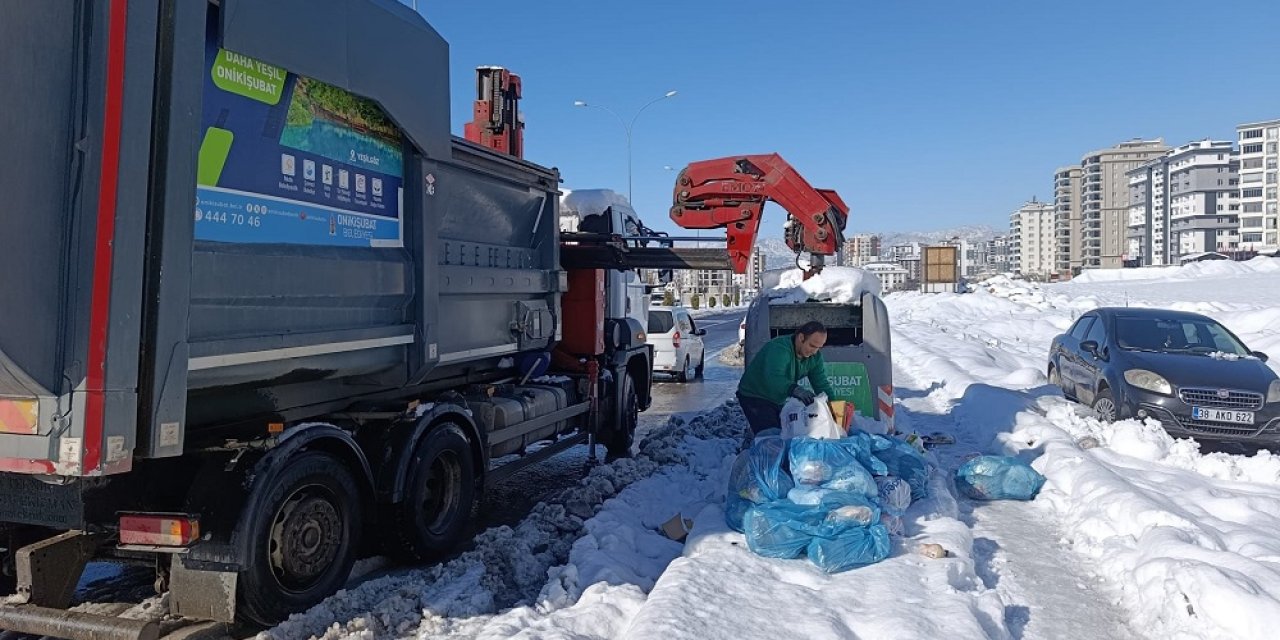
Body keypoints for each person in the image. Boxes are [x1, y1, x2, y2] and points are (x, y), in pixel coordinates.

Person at [736, 321, 835, 438]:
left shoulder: (814, 358)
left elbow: (821, 384)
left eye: (819, 348)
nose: (814, 351)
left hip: (777, 399)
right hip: (754, 395)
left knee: (784, 433)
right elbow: (774, 378)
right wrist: (795, 390)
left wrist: (833, 407)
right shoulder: (779, 349)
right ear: (801, 338)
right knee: (770, 436)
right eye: (812, 346)